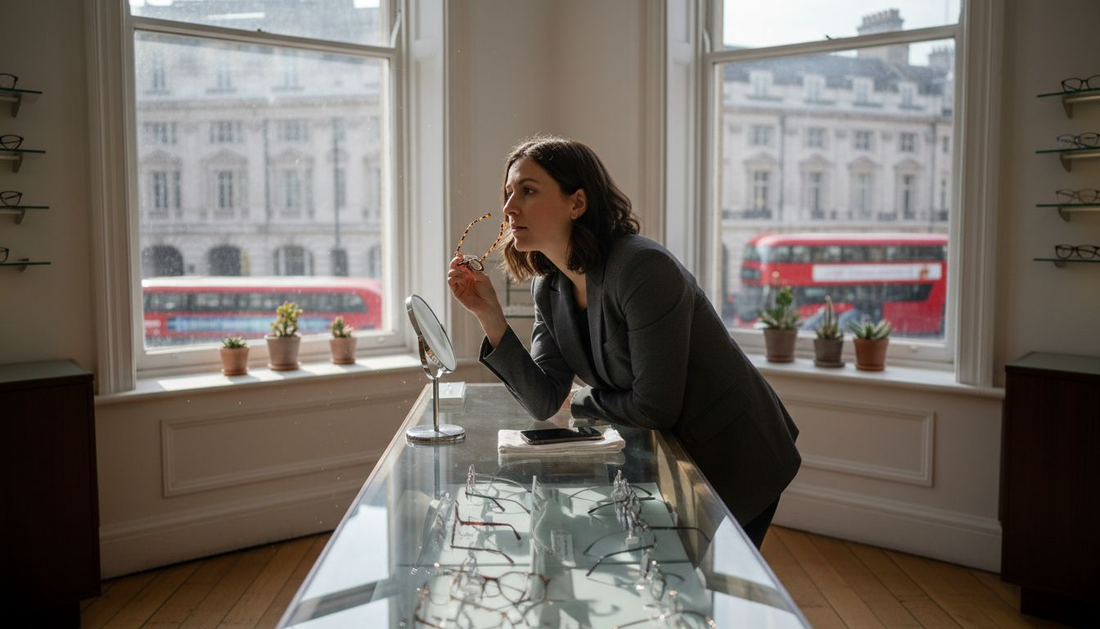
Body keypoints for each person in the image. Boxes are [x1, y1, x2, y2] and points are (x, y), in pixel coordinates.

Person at [447, 135, 800, 548]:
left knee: (709, 591)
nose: (508, 208)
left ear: (577, 203)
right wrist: (489, 315)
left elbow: (654, 407)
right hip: (670, 461)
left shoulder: (643, 268)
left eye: (527, 190)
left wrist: (577, 402)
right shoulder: (549, 287)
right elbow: (544, 400)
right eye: (508, 193)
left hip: (736, 456)